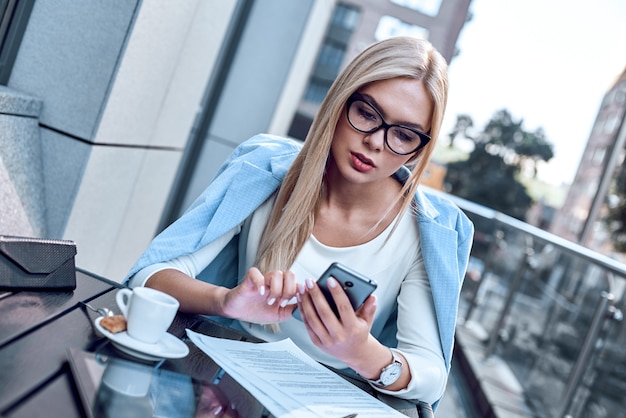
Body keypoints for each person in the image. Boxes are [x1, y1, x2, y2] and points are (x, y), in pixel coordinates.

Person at [124, 36, 473, 408]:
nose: (375, 142)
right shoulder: (263, 171)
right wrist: (226, 302)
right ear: (340, 102)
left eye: (403, 134)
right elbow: (150, 276)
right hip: (231, 384)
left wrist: (364, 354)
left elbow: (431, 376)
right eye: (368, 114)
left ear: (419, 148)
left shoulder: (424, 232)